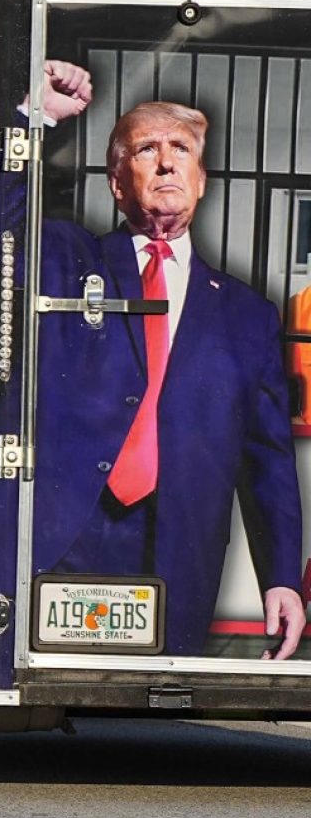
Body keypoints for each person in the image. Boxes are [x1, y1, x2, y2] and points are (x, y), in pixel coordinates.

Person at [20, 60, 305, 658]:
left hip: (181, 545)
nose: (168, 161)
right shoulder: (70, 261)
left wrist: (281, 578)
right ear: (118, 182)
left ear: (201, 181)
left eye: (182, 149)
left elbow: (268, 459)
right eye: (147, 148)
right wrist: (36, 117)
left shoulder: (249, 315)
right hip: (67, 534)